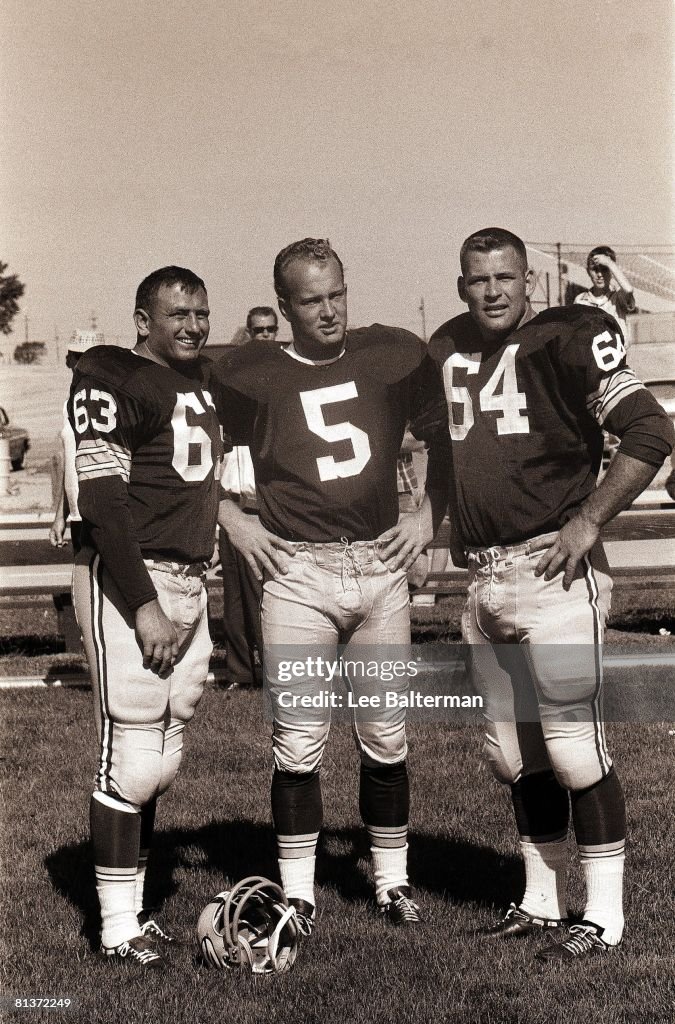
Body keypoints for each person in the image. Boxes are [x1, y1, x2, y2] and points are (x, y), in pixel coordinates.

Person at [427, 228, 674, 962]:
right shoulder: (444, 346)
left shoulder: (570, 334)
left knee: (572, 749)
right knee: (512, 754)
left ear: (528, 280)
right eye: (478, 279)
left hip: (553, 574)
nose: (493, 290)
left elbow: (648, 431)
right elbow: (444, 452)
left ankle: (602, 915)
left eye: (505, 276)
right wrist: (426, 519)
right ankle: (539, 901)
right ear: (461, 284)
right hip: (484, 578)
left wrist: (586, 520)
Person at [216, 238, 447, 933]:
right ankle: (298, 892)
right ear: (283, 306)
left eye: (336, 294)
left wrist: (427, 515)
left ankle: (391, 882)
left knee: (385, 738)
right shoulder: (246, 373)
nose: (328, 311)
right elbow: (186, 455)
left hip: (378, 568)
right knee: (298, 743)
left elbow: (449, 438)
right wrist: (234, 520)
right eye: (310, 299)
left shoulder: (390, 353)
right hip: (297, 572)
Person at [70, 266, 232, 969]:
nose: (193, 325)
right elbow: (103, 503)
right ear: (143, 320)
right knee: (132, 760)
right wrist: (143, 606)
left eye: (200, 312)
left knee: (162, 759)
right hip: (134, 581)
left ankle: (134, 912)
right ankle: (112, 928)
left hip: (189, 580)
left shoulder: (198, 381)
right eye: (177, 314)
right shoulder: (114, 376)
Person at [218, 306, 281, 687]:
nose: (265, 336)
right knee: (235, 598)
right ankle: (240, 672)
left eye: (271, 330)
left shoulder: (280, 378)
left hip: (264, 505)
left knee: (266, 593)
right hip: (231, 500)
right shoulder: (234, 376)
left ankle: (275, 672)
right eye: (258, 330)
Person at [50, 335, 98, 551]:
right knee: (82, 581)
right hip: (79, 515)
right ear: (68, 360)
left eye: (90, 356)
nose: (83, 364)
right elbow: (70, 465)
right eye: (78, 357)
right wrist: (61, 516)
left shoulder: (115, 400)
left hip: (106, 515)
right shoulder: (70, 405)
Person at [573, 245, 636, 339]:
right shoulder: (580, 301)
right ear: (588, 271)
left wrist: (609, 263)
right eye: (595, 270)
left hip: (616, 353)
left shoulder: (618, 296)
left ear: (611, 271)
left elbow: (629, 289)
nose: (599, 275)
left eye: (604, 269)